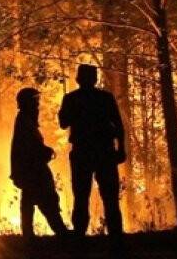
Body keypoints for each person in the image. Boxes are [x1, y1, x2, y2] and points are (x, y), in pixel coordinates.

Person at [58, 64, 125, 237]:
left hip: (83, 153)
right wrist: (121, 148)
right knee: (109, 198)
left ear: (78, 79)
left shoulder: (71, 99)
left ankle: (80, 236)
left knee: (81, 196)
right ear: (95, 79)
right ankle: (116, 237)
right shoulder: (105, 98)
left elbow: (63, 122)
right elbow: (118, 125)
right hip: (104, 152)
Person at [11, 87, 70, 239]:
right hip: (32, 170)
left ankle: (30, 234)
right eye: (35, 101)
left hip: (30, 169)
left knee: (31, 200)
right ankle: (59, 231)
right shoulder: (24, 122)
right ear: (27, 103)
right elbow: (27, 147)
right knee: (46, 199)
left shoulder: (25, 120)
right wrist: (44, 152)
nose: (37, 105)